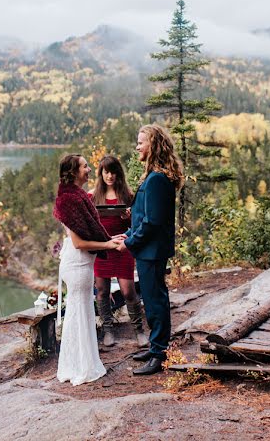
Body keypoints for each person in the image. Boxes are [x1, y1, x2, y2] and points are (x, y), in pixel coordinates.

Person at [52, 154, 124, 385]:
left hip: (82, 262)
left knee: (81, 311)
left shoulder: (77, 196)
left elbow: (90, 231)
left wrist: (110, 237)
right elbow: (80, 242)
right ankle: (79, 366)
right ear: (73, 172)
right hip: (77, 263)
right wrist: (107, 244)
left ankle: (81, 362)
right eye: (85, 166)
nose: (90, 169)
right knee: (78, 312)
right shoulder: (69, 201)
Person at [124, 124, 183, 376]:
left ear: (154, 145)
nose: (137, 146)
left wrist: (130, 242)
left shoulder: (157, 179)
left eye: (141, 142)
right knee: (152, 298)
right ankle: (155, 346)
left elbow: (152, 221)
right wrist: (127, 234)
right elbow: (143, 217)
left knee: (155, 300)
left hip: (152, 250)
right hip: (148, 250)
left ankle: (159, 352)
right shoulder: (154, 176)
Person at [89, 155, 149, 348]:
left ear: (119, 173)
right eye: (106, 172)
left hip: (123, 247)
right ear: (101, 173)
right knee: (102, 291)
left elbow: (138, 224)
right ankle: (108, 329)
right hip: (103, 248)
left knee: (128, 290)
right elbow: (88, 224)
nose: (110, 176)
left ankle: (139, 330)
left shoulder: (128, 195)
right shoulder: (92, 196)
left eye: (113, 171)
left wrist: (128, 217)